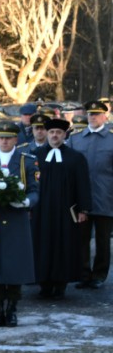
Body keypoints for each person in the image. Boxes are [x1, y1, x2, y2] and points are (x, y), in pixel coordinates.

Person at [0, 120, 39, 327]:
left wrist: (27, 202)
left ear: (15, 139)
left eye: (8, 138)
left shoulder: (27, 161)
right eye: (1, 137)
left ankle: (12, 309)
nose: (4, 141)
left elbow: (35, 189)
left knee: (15, 265)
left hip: (16, 217)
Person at [32, 118, 92, 298]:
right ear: (47, 134)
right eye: (51, 132)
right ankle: (44, 284)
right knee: (42, 244)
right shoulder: (36, 155)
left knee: (64, 245)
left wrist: (83, 209)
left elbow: (83, 184)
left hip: (66, 211)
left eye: (58, 132)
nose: (54, 135)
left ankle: (60, 284)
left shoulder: (76, 157)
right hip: (41, 211)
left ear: (64, 135)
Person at [67, 100, 113, 290]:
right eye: (90, 114)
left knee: (102, 240)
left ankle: (99, 274)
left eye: (96, 114)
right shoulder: (75, 139)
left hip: (105, 197)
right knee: (81, 239)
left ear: (105, 117)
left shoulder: (111, 139)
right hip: (81, 199)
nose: (92, 117)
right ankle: (83, 273)